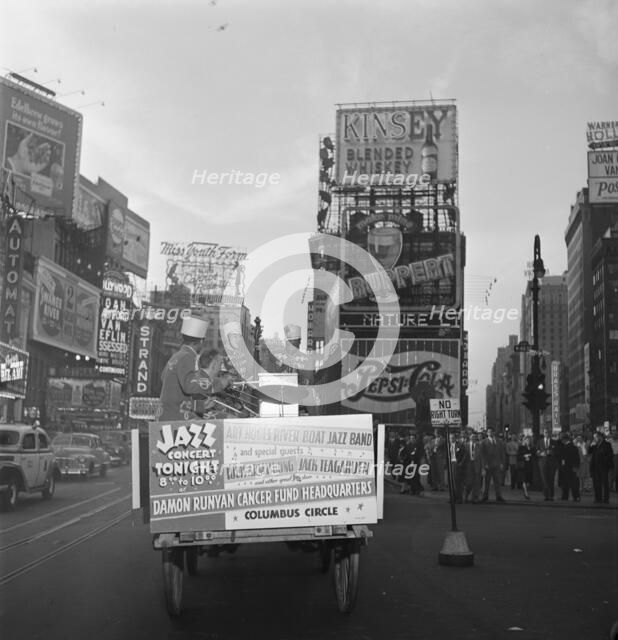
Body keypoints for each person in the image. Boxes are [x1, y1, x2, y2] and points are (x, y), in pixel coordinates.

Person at [159, 316, 232, 421]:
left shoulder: (177, 355)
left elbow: (166, 381)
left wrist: (200, 406)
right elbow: (190, 386)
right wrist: (220, 383)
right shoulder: (187, 356)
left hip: (168, 414)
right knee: (218, 427)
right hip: (176, 417)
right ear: (201, 341)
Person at [479, 426, 506, 502]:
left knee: (497, 481)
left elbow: (502, 453)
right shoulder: (484, 442)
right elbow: (482, 455)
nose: (490, 433)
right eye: (489, 432)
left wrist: (502, 463)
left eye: (491, 432)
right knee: (486, 482)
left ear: (494, 432)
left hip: (497, 464)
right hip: (488, 465)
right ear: (487, 433)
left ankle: (499, 496)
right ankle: (485, 496)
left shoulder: (499, 441)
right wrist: (484, 465)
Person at [589, 431, 614, 504]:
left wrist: (605, 462)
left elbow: (610, 455)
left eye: (596, 437)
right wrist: (591, 444)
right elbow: (589, 452)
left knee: (605, 484)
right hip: (596, 467)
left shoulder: (607, 444)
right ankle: (598, 498)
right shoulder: (595, 445)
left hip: (603, 467)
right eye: (595, 437)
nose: (595, 438)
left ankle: (606, 499)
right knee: (597, 484)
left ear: (600, 437)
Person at [537, 428, 559, 501]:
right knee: (544, 479)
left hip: (552, 463)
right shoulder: (540, 442)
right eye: (546, 432)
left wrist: (552, 453)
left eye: (548, 432)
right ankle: (546, 495)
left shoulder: (554, 442)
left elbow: (557, 452)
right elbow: (536, 451)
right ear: (543, 433)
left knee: (551, 479)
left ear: (550, 433)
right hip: (543, 463)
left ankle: (551, 495)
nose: (547, 434)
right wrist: (540, 453)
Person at [557, 432, 580, 501]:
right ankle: (575, 496)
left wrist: (562, 465)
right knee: (571, 483)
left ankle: (566, 496)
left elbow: (563, 458)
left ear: (564, 440)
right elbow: (577, 458)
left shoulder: (567, 447)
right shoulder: (573, 447)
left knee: (568, 483)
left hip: (567, 467)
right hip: (570, 467)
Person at [464, 431, 482, 503]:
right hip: (469, 465)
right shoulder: (466, 445)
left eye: (475, 437)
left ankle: (475, 498)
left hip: (477, 465)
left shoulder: (479, 445)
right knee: (468, 482)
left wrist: (483, 467)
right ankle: (466, 496)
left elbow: (482, 457)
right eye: (472, 437)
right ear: (469, 437)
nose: (473, 438)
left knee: (477, 483)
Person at [517, 435, 536, 500]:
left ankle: (526, 491)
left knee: (529, 480)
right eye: (527, 440)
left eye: (529, 440)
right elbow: (518, 456)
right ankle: (526, 494)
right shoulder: (521, 447)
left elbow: (534, 455)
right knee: (524, 480)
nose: (528, 441)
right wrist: (525, 456)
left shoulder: (532, 448)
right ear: (524, 441)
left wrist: (531, 456)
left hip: (530, 466)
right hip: (523, 466)